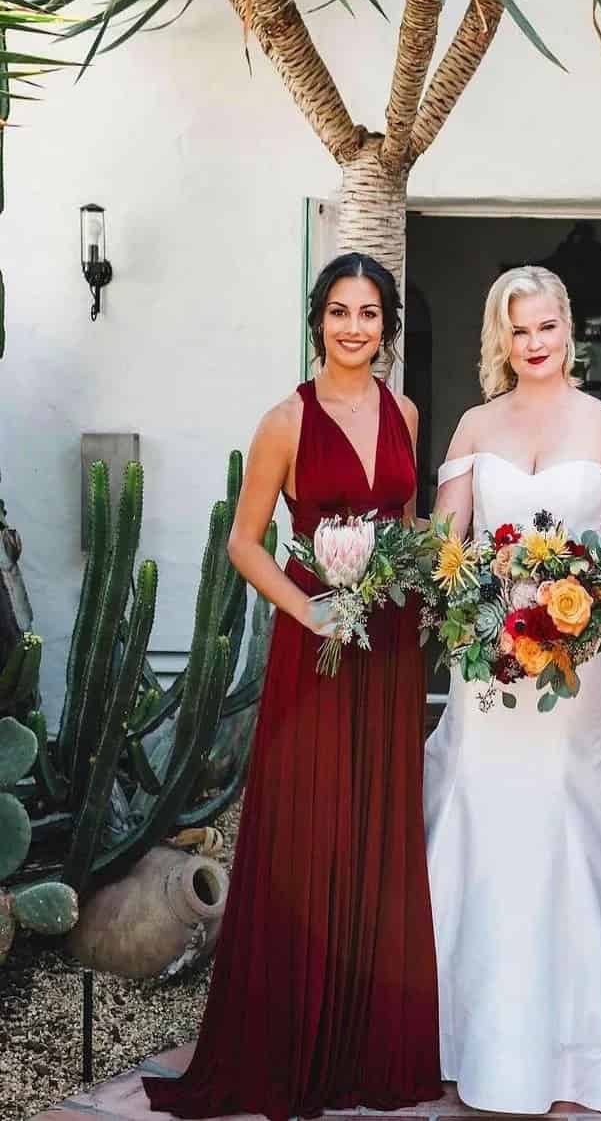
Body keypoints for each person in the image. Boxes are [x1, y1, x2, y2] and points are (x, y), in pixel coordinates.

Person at [144, 253, 440, 1120]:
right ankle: (299, 1035)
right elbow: (245, 541)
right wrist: (307, 615)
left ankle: (367, 1038)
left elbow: (409, 523)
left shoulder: (406, 411)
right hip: (316, 646)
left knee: (379, 823)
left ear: (388, 326)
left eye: (372, 313)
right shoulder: (285, 419)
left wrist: (420, 601)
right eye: (341, 311)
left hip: (385, 644)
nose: (356, 327)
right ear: (318, 321)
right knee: (310, 829)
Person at [424, 265, 601, 1115]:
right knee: (484, 817)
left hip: (572, 662)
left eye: (547, 326)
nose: (535, 344)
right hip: (487, 669)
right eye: (518, 331)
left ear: (567, 328)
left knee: (567, 816)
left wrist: (590, 614)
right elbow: (446, 545)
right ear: (502, 338)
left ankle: (577, 1052)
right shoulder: (475, 424)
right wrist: (477, 605)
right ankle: (467, 1037)